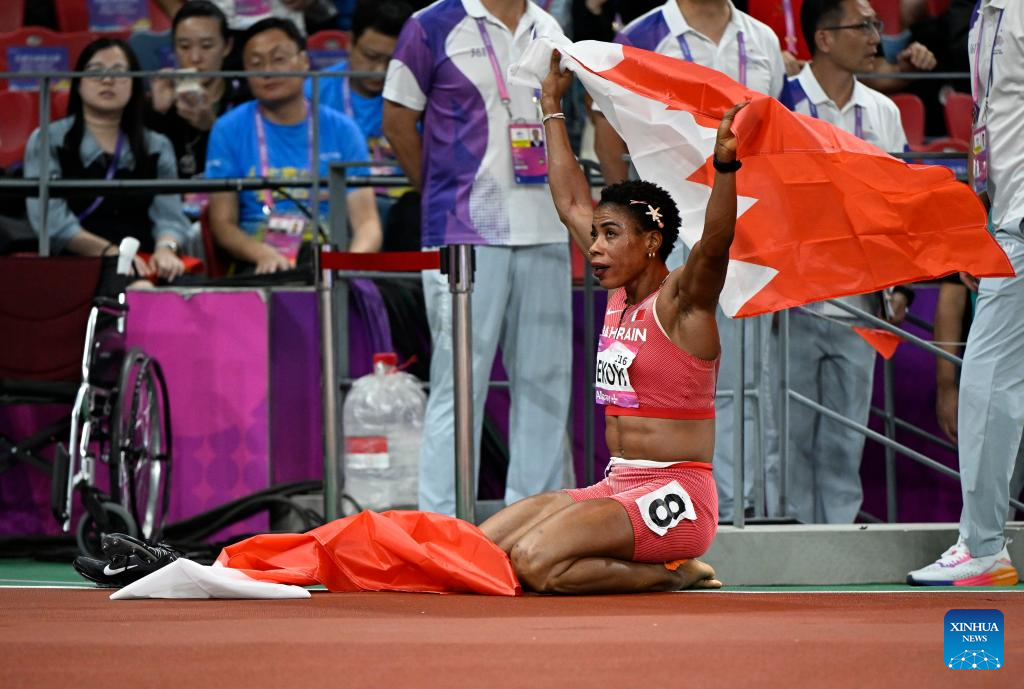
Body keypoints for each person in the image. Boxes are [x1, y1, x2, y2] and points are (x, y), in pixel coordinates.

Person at [478, 51, 744, 593]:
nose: (595, 247)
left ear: (651, 243)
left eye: (610, 235)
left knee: (534, 562)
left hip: (677, 493)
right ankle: (663, 570)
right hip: (617, 484)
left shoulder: (682, 303)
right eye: (595, 235)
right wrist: (551, 107)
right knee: (482, 548)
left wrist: (724, 170)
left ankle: (671, 574)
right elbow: (570, 201)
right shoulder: (618, 289)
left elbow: (715, 247)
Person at [594, 0, 786, 522]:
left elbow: (775, 137)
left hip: (748, 229)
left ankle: (741, 505)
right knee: (669, 378)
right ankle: (660, 495)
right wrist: (624, 221)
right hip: (668, 232)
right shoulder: (642, 33)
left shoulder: (763, 39)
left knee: (749, 379)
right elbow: (608, 127)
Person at [382, 0, 573, 517]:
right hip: (465, 232)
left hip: (546, 226)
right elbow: (397, 121)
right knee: (460, 383)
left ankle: (531, 521)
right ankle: (443, 520)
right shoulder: (430, 25)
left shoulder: (547, 25)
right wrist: (440, 194)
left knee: (545, 385)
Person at [778, 0, 909, 523]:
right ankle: (791, 544)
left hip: (861, 302)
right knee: (788, 437)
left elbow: (898, 208)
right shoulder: (780, 102)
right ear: (825, 38)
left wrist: (900, 285)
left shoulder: (883, 112)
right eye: (863, 26)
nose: (877, 37)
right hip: (792, 300)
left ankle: (837, 544)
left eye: (877, 24)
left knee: (846, 439)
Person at [908, 0, 1022, 586]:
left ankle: (982, 545)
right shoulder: (983, 16)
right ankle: (983, 544)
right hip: (1007, 222)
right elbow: (991, 121)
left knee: (987, 382)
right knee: (990, 384)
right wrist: (985, 213)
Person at [204, 17, 382, 274]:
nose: (267, 71)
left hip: (328, 257)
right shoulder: (227, 129)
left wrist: (348, 267)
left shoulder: (343, 129)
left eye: (278, 59)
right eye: (256, 63)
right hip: (260, 262)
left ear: (304, 61)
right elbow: (222, 224)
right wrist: (261, 254)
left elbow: (367, 224)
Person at [24, 38, 190, 282]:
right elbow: (52, 222)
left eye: (119, 72)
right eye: (96, 71)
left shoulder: (157, 145)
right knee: (136, 291)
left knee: (190, 292)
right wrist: (113, 254)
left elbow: (170, 217)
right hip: (78, 263)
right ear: (78, 83)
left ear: (134, 84)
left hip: (143, 261)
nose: (107, 80)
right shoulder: (48, 140)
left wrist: (166, 248)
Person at [147, 1, 248, 179]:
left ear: (227, 46)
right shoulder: (160, 100)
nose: (194, 58)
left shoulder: (246, 99)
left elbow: (254, 165)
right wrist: (157, 114)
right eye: (184, 47)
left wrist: (213, 128)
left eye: (207, 46)